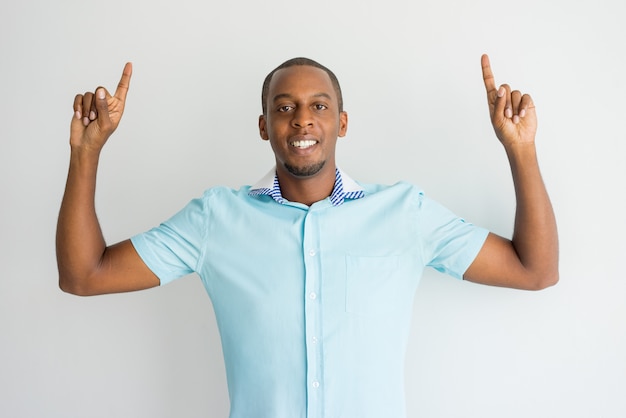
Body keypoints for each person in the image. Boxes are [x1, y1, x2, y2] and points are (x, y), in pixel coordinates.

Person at [57, 55, 558, 418]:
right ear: (263, 126)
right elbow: (84, 274)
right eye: (284, 107)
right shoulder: (215, 218)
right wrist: (87, 152)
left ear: (340, 123)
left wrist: (521, 150)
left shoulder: (405, 213)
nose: (302, 119)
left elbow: (533, 270)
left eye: (319, 106)